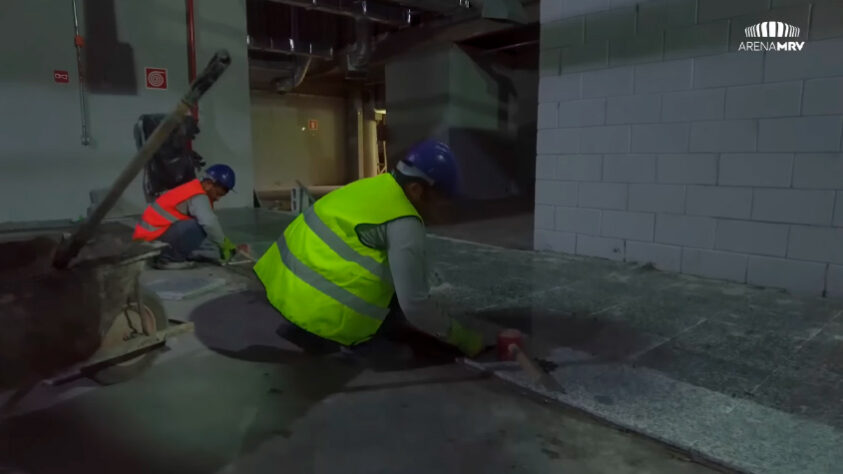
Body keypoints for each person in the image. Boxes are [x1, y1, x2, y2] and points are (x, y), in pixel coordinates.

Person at [254, 140, 485, 357]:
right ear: (416, 190)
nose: (445, 208)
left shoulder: (376, 186)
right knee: (399, 320)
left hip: (285, 288)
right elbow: (414, 304)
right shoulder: (404, 221)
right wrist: (462, 337)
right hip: (320, 313)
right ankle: (332, 334)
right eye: (442, 199)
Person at [133, 164, 243, 269]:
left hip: (148, 240)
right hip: (151, 242)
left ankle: (171, 254)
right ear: (209, 183)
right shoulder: (198, 195)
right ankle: (169, 260)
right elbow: (209, 223)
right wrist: (223, 243)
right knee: (198, 226)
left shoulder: (193, 188)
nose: (218, 199)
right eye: (218, 194)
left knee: (200, 230)